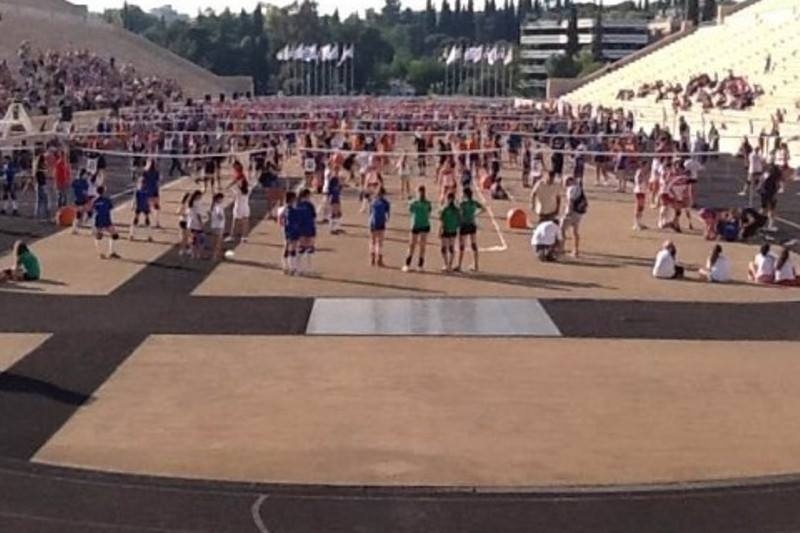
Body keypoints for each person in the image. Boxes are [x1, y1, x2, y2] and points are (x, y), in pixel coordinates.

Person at [403, 184, 432, 273]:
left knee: (422, 246)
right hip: (415, 225)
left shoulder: (426, 203)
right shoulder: (414, 202)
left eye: (419, 192)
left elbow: (428, 212)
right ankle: (407, 264)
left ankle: (420, 265)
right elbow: (410, 210)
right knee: (412, 245)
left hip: (423, 225)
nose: (419, 194)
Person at [457, 188, 484, 272]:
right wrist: (475, 214)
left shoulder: (462, 204)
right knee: (474, 244)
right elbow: (483, 209)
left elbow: (459, 213)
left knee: (462, 245)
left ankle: (459, 265)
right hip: (472, 224)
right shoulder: (474, 203)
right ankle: (476, 264)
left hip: (464, 224)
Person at [91, 186, 120, 260]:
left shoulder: (97, 201)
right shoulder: (104, 200)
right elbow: (111, 210)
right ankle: (104, 253)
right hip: (104, 220)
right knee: (101, 236)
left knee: (113, 235)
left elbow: (93, 213)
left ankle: (108, 252)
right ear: (103, 191)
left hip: (103, 220)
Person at [561, 176, 586, 258]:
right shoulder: (579, 188)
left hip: (572, 212)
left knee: (562, 229)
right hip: (579, 213)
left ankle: (561, 248)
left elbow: (570, 201)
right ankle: (575, 250)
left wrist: (568, 212)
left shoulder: (570, 189)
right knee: (575, 231)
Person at [278, 190, 301, 275]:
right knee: (292, 248)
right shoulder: (293, 210)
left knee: (286, 247)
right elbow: (296, 221)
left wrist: (282, 226)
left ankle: (285, 266)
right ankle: (292, 267)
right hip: (292, 230)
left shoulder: (284, 209)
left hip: (286, 230)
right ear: (292, 199)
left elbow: (280, 219)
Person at [296, 188, 317, 274]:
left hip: (303, 228)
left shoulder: (300, 205)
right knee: (307, 248)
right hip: (307, 228)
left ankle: (301, 268)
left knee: (304, 248)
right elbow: (314, 216)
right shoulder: (308, 205)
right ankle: (306, 268)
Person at [368, 187, 391, 267]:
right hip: (381, 223)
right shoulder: (386, 202)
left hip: (372, 223)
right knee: (380, 242)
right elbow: (388, 215)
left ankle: (372, 258)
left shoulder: (373, 201)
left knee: (372, 241)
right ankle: (379, 259)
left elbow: (370, 212)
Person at [439, 192, 461, 272]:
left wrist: (440, 229)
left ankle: (447, 264)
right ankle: (448, 265)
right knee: (449, 248)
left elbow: (441, 219)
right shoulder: (456, 209)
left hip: (447, 230)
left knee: (445, 248)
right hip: (451, 230)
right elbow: (459, 220)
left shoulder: (445, 209)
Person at [758, 159, 780, 231]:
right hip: (770, 193)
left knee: (763, 208)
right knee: (771, 210)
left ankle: (758, 224)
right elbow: (776, 186)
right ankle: (770, 226)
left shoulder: (765, 174)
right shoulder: (774, 175)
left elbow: (760, 182)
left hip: (763, 193)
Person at [129, 177, 152, 241]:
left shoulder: (145, 190)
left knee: (147, 220)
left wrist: (149, 206)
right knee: (136, 219)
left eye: (143, 183)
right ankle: (132, 234)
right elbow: (134, 199)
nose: (142, 184)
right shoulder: (138, 191)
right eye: (141, 183)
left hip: (145, 206)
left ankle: (149, 236)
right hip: (139, 206)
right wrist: (133, 205)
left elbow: (148, 199)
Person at [230, 177, 251, 244]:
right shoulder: (248, 190)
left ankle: (232, 236)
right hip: (246, 207)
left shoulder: (237, 191)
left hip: (238, 208)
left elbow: (230, 188)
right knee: (245, 223)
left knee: (235, 222)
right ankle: (244, 237)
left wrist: (235, 182)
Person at [185, 190, 205, 259]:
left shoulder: (190, 203)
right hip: (197, 224)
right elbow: (198, 215)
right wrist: (201, 223)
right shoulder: (197, 203)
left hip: (191, 223)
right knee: (201, 239)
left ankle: (193, 254)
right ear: (197, 196)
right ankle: (199, 254)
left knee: (193, 239)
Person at [142, 160, 162, 229]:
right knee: (156, 207)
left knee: (147, 207)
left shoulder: (145, 172)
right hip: (154, 190)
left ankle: (147, 220)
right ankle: (157, 222)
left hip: (147, 190)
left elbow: (143, 181)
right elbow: (158, 181)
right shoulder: (156, 172)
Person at [632, 159, 648, 230]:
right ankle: (636, 224)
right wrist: (643, 180)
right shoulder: (639, 172)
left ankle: (639, 222)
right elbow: (638, 181)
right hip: (639, 191)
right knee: (638, 207)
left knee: (641, 207)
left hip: (643, 190)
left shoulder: (643, 172)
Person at [209, 192, 226, 260]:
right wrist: (222, 218)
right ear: (218, 199)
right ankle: (216, 256)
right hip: (219, 226)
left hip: (213, 225)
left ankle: (215, 254)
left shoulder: (213, 206)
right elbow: (220, 216)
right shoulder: (218, 206)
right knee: (218, 242)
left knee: (215, 242)